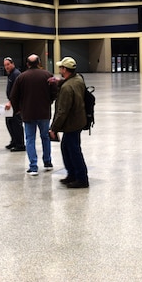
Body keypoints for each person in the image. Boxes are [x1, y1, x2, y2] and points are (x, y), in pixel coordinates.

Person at [9, 54, 56, 176]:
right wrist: (49, 101)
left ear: (27, 64)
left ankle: (33, 167)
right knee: (45, 137)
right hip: (44, 113)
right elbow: (54, 92)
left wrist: (18, 109)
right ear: (39, 62)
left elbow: (13, 96)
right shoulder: (47, 75)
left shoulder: (21, 77)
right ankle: (47, 162)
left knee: (30, 139)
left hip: (28, 113)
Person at [49, 57, 89, 188]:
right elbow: (70, 82)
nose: (59, 69)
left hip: (71, 123)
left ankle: (81, 178)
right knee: (67, 147)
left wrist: (54, 128)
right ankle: (72, 174)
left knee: (73, 150)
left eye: (61, 67)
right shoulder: (78, 79)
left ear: (64, 69)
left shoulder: (67, 88)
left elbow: (62, 111)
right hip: (78, 121)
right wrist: (59, 81)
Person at [3, 57, 25, 152]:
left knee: (16, 124)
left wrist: (11, 102)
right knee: (9, 122)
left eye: (8, 64)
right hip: (11, 103)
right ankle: (14, 141)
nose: (6, 67)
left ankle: (20, 144)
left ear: (13, 64)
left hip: (16, 104)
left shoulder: (16, 74)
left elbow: (18, 91)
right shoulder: (11, 75)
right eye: (5, 65)